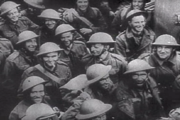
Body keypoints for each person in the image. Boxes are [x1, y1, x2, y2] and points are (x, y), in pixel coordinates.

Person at [20, 42, 72, 108]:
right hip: (43, 106)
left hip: (64, 104)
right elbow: (22, 95)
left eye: (53, 56)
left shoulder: (64, 68)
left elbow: (70, 89)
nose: (50, 60)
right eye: (46, 57)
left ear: (58, 55)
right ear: (41, 57)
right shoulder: (31, 72)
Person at [143, 34, 180, 113]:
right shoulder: (147, 61)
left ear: (173, 49)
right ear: (155, 48)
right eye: (160, 47)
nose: (162, 51)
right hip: (153, 98)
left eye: (167, 47)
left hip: (175, 98)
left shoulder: (178, 62)